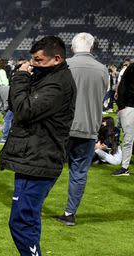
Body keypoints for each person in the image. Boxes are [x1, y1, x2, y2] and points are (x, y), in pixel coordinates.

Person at [0, 36, 76, 256]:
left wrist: (19, 78)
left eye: (38, 60)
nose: (32, 64)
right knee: (25, 219)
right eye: (32, 59)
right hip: (32, 157)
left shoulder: (58, 84)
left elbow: (23, 109)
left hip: (41, 161)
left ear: (57, 59)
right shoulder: (49, 77)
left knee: (22, 220)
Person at [56, 33, 109, 227]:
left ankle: (32, 207)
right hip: (88, 128)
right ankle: (70, 213)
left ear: (72, 48)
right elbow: (102, 96)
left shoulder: (64, 66)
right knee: (79, 173)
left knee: (50, 168)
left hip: (62, 128)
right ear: (92, 48)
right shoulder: (103, 70)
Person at [111, 51, 134, 176]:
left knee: (128, 138)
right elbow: (122, 86)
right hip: (130, 107)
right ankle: (125, 167)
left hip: (128, 107)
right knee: (128, 138)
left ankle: (125, 167)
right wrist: (121, 105)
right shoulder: (131, 68)